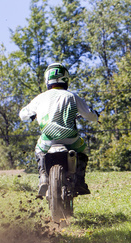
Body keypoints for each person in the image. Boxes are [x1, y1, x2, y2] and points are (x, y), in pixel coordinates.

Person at [19, 63, 99, 197]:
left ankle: (43, 176)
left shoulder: (40, 98)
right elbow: (90, 115)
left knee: (39, 149)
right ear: (66, 79)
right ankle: (80, 180)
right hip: (71, 139)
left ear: (47, 80)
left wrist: (31, 115)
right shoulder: (72, 96)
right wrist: (96, 116)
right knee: (83, 149)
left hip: (48, 140)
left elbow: (23, 114)